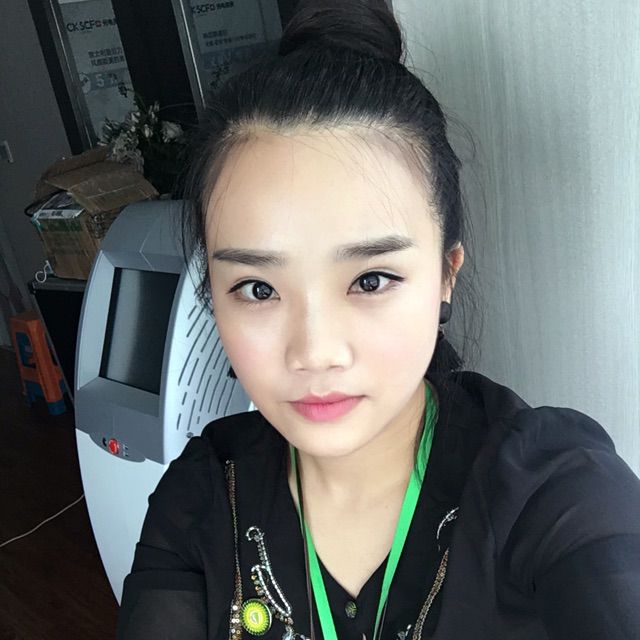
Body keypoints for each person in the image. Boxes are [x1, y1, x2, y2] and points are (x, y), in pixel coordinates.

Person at [116, 1, 640, 638]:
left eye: (370, 280)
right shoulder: (202, 495)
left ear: (445, 273)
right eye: (258, 288)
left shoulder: (549, 487)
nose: (315, 352)